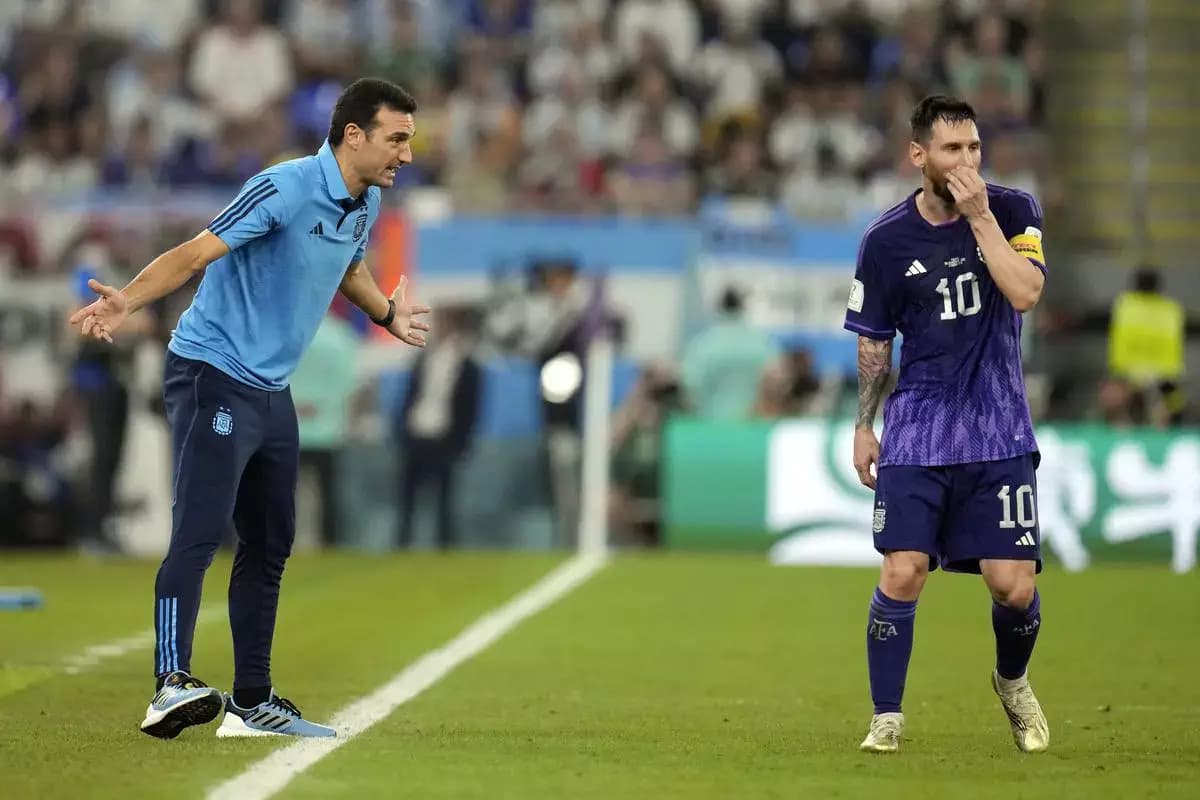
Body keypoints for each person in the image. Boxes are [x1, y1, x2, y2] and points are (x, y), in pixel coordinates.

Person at [68, 78, 431, 740]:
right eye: (397, 138)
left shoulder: (362, 203)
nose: (407, 154)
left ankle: (252, 703)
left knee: (270, 542)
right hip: (212, 370)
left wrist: (386, 313)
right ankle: (168, 685)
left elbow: (348, 268)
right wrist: (129, 299)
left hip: (270, 388)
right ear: (355, 136)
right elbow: (194, 253)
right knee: (201, 530)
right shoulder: (283, 187)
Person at [844, 96, 1049, 755]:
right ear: (919, 156)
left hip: (998, 428)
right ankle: (886, 717)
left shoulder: (1013, 210)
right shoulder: (884, 241)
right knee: (903, 570)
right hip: (918, 431)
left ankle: (1012, 681)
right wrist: (863, 424)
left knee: (1012, 586)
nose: (966, 162)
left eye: (974, 149)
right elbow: (874, 343)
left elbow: (1025, 293)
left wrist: (980, 217)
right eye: (952, 150)